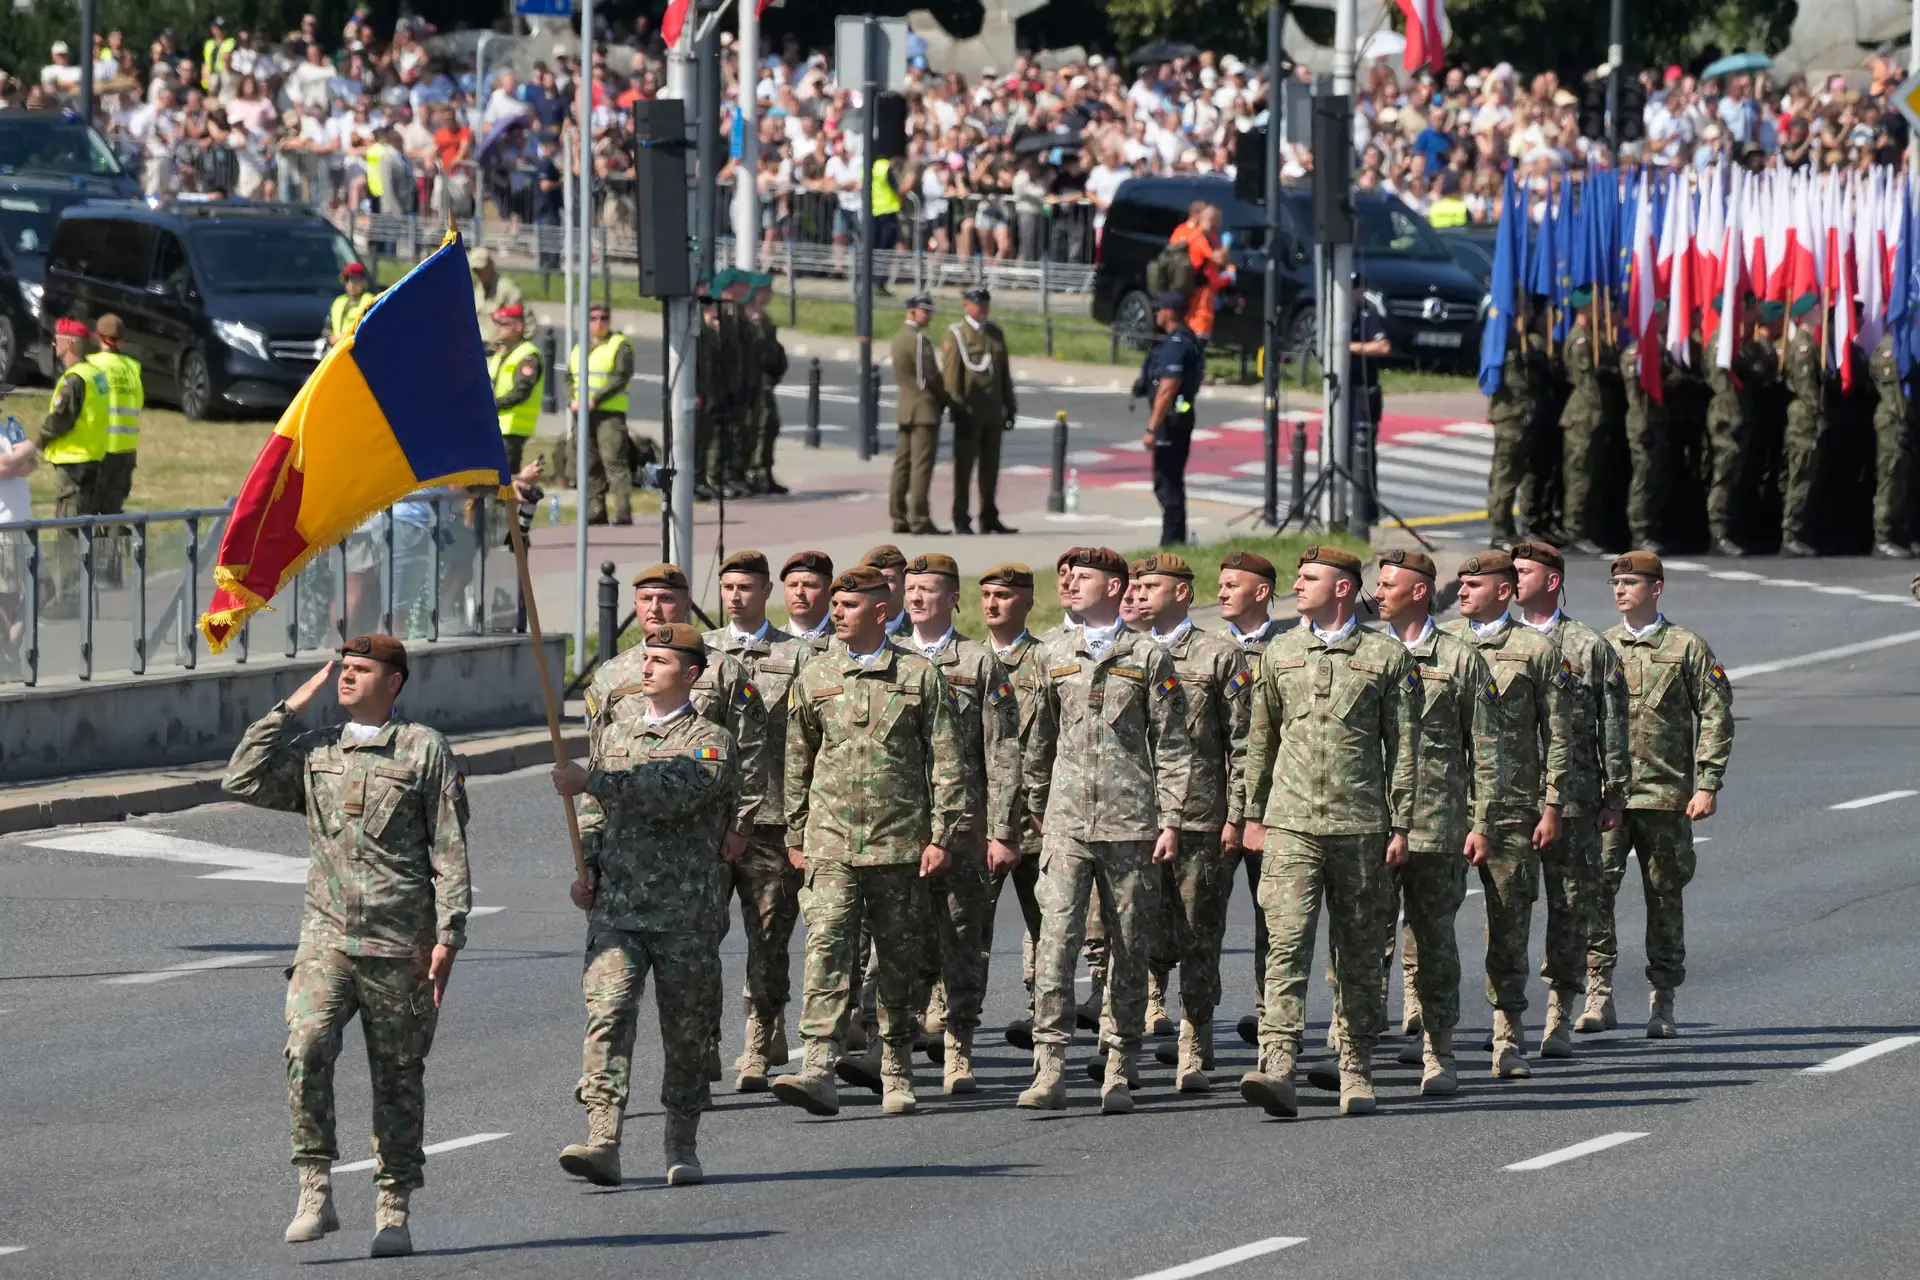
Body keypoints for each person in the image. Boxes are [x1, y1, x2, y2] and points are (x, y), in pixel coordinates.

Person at [221, 636, 469, 1259]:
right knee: (304, 1049)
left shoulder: (424, 751)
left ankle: (394, 1204)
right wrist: (286, 711)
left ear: (396, 682)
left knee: (398, 1077)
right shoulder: (318, 749)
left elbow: (449, 850)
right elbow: (241, 779)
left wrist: (448, 935)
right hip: (325, 938)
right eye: (343, 670)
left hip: (398, 944)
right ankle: (314, 1187)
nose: (346, 679)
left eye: (362, 671)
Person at [771, 566, 966, 1118]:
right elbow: (797, 758)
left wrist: (942, 834)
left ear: (880, 612)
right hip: (829, 841)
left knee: (898, 958)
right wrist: (795, 829)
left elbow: (946, 759)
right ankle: (818, 1067)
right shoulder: (814, 674)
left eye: (849, 605)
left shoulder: (919, 675)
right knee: (826, 949)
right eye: (835, 604)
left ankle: (896, 1066)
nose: (836, 612)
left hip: (899, 845)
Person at [551, 622, 738, 1188]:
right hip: (619, 909)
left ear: (692, 673)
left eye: (660, 660)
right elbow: (595, 816)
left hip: (686, 914)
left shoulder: (710, 740)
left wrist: (593, 781)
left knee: (685, 1033)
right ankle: (603, 1137)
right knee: (608, 1016)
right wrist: (587, 868)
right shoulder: (615, 733)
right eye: (645, 658)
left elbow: (671, 795)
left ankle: (681, 1140)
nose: (647, 668)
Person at [1236, 546, 1415, 1119]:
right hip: (1291, 826)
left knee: (1358, 951)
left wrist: (1402, 823)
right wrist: (1252, 815)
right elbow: (1260, 740)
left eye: (1310, 578)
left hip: (1361, 825)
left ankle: (1356, 1067)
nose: (1299, 584)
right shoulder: (1280, 652)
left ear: (1343, 589)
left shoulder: (1387, 656)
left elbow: (1403, 748)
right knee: (1285, 944)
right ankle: (1279, 1064)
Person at [1018, 547, 1192, 1114]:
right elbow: (1037, 740)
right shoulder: (1050, 653)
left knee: (1129, 945)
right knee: (1057, 943)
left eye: (1084, 577)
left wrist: (1170, 819)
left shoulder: (1147, 657)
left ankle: (1120, 1062)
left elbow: (1171, 745)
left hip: (1131, 823)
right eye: (1065, 575)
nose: (1070, 583)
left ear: (1116, 588)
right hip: (1066, 824)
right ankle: (1049, 1066)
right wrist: (1037, 805)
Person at [586, 563, 770, 1080]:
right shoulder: (610, 676)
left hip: (699, 840)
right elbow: (595, 758)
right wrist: (588, 853)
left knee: (696, 952)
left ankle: (700, 1040)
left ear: (686, 603)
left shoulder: (721, 670)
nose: (655, 610)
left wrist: (742, 823)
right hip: (625, 850)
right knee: (611, 980)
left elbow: (749, 752)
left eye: (666, 600)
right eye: (645, 600)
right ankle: (600, 1068)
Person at [1371, 549, 1498, 1095]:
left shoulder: (1460, 656)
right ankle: (1354, 1050)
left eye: (1388, 585)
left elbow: (1487, 746)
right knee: (1361, 940)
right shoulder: (1364, 652)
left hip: (1437, 822)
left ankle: (1438, 1051)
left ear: (1419, 591)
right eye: (1376, 584)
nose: (1377, 594)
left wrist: (1482, 820)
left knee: (1435, 939)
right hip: (1369, 820)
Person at [1441, 550, 1572, 1078]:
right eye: (1460, 583)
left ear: (1503, 591)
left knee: (1509, 924)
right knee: (1428, 924)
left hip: (1515, 809)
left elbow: (1557, 733)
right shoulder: (1442, 643)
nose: (1463, 591)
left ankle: (1508, 1036)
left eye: (1474, 584)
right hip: (1446, 806)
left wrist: (1553, 804)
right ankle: (1432, 1031)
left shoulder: (1537, 650)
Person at [1595, 551, 1733, 1039]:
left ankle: (1663, 998)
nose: (1620, 590)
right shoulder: (1600, 647)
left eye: (1631, 582)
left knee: (1664, 895)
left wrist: (1707, 783)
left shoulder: (1686, 647)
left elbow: (1715, 713)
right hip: (1608, 798)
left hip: (1665, 796)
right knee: (1596, 893)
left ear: (1656, 589)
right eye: (1616, 582)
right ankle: (1599, 992)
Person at [900, 553, 1022, 1093]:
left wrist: (1002, 829)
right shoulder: (889, 657)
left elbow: (1002, 751)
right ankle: (896, 1047)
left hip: (966, 829)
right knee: (897, 942)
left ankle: (958, 1048)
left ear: (953, 598)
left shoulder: (978, 662)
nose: (918, 597)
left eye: (929, 589)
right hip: (898, 825)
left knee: (962, 939)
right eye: (911, 588)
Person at [1133, 554, 1249, 1093]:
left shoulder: (1217, 654)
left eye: (1151, 586)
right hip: (1131, 817)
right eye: (1135, 585)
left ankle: (1195, 1038)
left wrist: (1237, 815)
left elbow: (1242, 741)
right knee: (1132, 930)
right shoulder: (1123, 653)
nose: (1138, 594)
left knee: (1200, 932)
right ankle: (1132, 1031)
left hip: (1202, 817)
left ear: (1182, 593)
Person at [1509, 541, 1631, 1041]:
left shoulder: (1588, 646)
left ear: (1552, 580)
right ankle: (1509, 1018)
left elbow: (1614, 723)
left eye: (1524, 571)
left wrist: (1615, 795)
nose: (1513, 579)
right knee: (1510, 910)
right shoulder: (1501, 644)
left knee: (1569, 906)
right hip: (1511, 799)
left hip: (1576, 800)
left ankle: (1559, 1011)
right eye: (1511, 571)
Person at [703, 551, 811, 1092]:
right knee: (699, 936)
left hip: (770, 818)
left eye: (746, 587)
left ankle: (760, 1033)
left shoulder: (799, 655)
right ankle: (703, 1043)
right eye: (728, 587)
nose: (737, 596)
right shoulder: (700, 654)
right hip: (706, 822)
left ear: (767, 590)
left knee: (768, 935)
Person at [1217, 549, 1289, 1048]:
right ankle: (1185, 1020)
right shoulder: (1202, 650)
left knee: (1275, 919)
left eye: (1231, 585)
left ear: (1261, 592)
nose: (1220, 592)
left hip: (1274, 806)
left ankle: (1271, 1018)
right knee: (1197, 920)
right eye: (1219, 584)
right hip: (1214, 805)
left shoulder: (1289, 649)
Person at [975, 562, 1048, 1049]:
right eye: (985, 595)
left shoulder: (1047, 660)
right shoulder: (966, 661)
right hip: (983, 820)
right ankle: (952, 1018)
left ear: (1027, 601)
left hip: (1040, 817)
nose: (991, 603)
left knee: (1049, 922)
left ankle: (1043, 1010)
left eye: (1003, 595)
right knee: (969, 925)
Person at [37, 317, 107, 618]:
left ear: (68, 344)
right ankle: (85, 596)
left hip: (74, 467)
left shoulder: (74, 378)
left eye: (57, 340)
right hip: (94, 461)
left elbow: (61, 418)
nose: (54, 345)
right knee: (86, 529)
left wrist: (36, 443)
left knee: (68, 532)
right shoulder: (96, 374)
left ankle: (69, 600)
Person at [940, 287, 1018, 535]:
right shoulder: (957, 335)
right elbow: (952, 377)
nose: (982, 308)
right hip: (969, 413)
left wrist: (1010, 406)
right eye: (977, 304)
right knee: (964, 469)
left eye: (985, 303)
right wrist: (957, 407)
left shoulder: (995, 334)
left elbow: (1004, 374)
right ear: (966, 306)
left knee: (990, 469)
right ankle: (961, 517)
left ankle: (989, 516)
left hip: (993, 412)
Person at [1139, 292, 1206, 548]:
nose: (1156, 313)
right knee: (1172, 480)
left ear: (1169, 312)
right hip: (1181, 417)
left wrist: (1151, 428)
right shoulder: (1188, 340)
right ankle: (1175, 537)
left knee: (1166, 482)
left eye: (1159, 309)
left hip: (1172, 421)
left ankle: (1171, 541)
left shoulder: (1177, 345)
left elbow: (1168, 388)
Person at [1705, 296, 1770, 557]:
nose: (1755, 311)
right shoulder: (1721, 342)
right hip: (1726, 415)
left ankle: (1733, 527)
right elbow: (1722, 384)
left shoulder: (1740, 342)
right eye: (1750, 307)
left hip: (1739, 414)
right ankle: (1718, 532)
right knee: (1724, 474)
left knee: (1737, 474)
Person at [566, 302, 637, 526]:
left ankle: (623, 511)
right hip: (583, 413)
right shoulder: (579, 349)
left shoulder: (620, 345)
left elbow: (620, 376)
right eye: (594, 318)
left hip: (609, 414)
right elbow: (568, 378)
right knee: (588, 463)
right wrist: (572, 399)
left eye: (604, 318)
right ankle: (596, 510)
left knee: (614, 461)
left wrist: (595, 399)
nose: (599, 323)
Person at [1486, 303, 1551, 548]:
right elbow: (1516, 385)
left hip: (1524, 418)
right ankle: (1500, 530)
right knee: (1505, 475)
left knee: (1519, 474)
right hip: (1510, 417)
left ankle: (1513, 528)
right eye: (1524, 310)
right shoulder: (1501, 342)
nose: (1530, 315)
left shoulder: (1527, 343)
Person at [890, 293, 953, 535]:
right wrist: (946, 398)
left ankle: (898, 516)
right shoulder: (918, 340)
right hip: (923, 409)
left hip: (906, 406)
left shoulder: (898, 338)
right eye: (925, 311)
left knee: (901, 466)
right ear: (912, 311)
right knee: (920, 467)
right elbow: (929, 376)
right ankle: (919, 517)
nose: (929, 315)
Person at [1559, 297, 1609, 555]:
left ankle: (1583, 528)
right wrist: (1599, 411)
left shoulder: (1592, 335)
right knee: (1578, 475)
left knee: (1588, 475)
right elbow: (1587, 384)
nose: (1602, 310)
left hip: (1589, 415)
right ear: (1585, 307)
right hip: (1582, 416)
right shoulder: (1580, 339)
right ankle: (1574, 531)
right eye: (1598, 305)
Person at [1779, 293, 1825, 557]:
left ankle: (1797, 531)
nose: (1821, 312)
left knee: (1806, 474)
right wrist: (1819, 410)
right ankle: (1791, 534)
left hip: (1807, 416)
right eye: (1817, 309)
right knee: (1801, 474)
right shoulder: (1803, 347)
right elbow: (1808, 390)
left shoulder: (1809, 344)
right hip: (1804, 417)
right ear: (1805, 314)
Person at [1619, 328, 1673, 553]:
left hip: (1656, 420)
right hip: (1642, 422)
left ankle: (1651, 527)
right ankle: (1639, 532)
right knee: (1643, 477)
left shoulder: (1656, 351)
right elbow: (1635, 396)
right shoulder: (1635, 354)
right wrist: (1643, 427)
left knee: (1655, 476)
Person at [87, 314, 144, 517]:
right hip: (127, 448)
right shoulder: (133, 367)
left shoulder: (92, 365)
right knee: (114, 511)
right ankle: (115, 549)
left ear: (97, 336)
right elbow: (137, 403)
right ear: (121, 339)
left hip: (101, 447)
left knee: (91, 511)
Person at [1868, 328, 1914, 559]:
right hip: (1892, 420)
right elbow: (1893, 393)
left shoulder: (1904, 344)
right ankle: (1883, 537)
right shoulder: (1888, 348)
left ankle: (1898, 533)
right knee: (1889, 477)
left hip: (1902, 420)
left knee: (1902, 479)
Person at [743, 272, 790, 496]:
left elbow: (775, 353)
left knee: (770, 426)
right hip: (751, 385)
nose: (770, 294)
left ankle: (766, 471)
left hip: (765, 383)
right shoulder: (745, 319)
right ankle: (754, 471)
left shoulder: (765, 320)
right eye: (766, 290)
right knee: (756, 428)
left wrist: (776, 373)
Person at [487, 304, 543, 475]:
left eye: (504, 324)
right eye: (497, 324)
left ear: (518, 326)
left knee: (503, 482)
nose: (498, 328)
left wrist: (493, 405)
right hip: (495, 425)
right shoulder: (501, 353)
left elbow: (521, 391)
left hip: (511, 428)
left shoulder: (528, 355)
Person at [780, 550, 834, 651]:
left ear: (829, 591)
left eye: (809, 585)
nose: (799, 592)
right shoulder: (768, 644)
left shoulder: (849, 644)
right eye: (792, 585)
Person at [470, 247, 523, 346]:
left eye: (482, 269)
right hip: (482, 352)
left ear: (491, 264)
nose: (479, 274)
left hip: (502, 351)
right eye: (476, 270)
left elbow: (527, 323)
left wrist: (514, 348)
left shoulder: (507, 288)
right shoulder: (478, 291)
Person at [859, 543, 912, 638]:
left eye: (888, 580)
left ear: (905, 584)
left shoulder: (922, 633)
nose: (879, 587)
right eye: (871, 581)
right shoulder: (849, 634)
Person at [328, 262, 374, 346]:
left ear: (363, 281)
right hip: (336, 351)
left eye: (355, 279)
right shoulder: (339, 301)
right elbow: (328, 327)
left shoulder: (369, 301)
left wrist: (343, 337)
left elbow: (370, 330)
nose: (351, 284)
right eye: (347, 279)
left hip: (356, 352)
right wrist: (329, 337)